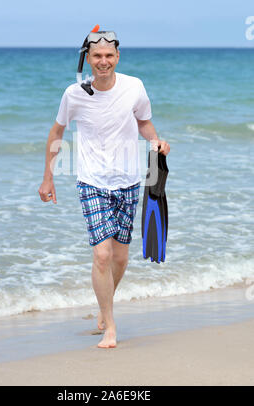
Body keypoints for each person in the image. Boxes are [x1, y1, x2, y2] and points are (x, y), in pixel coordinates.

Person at [38, 28, 170, 348]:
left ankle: (103, 306)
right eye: (97, 56)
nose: (103, 61)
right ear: (88, 58)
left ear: (117, 57)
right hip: (91, 181)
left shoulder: (134, 87)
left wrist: (155, 140)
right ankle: (110, 326)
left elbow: (143, 121)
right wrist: (48, 176)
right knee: (102, 254)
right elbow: (57, 132)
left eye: (109, 55)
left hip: (129, 181)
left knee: (120, 259)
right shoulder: (75, 94)